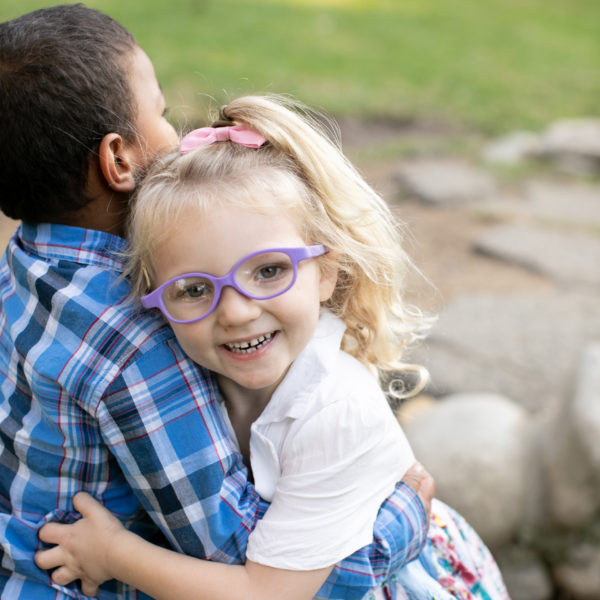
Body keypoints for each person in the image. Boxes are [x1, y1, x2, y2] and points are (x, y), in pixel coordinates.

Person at [1, 5, 437, 599]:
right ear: (119, 160)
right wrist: (403, 525)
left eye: (268, 272)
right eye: (160, 114)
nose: (232, 310)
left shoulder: (27, 261)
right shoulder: (137, 330)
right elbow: (237, 556)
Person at [35, 95, 511, 599]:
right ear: (157, 303)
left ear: (325, 271)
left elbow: (268, 594)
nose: (237, 312)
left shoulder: (334, 409)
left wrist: (115, 554)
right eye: (195, 289)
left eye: (269, 271)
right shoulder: (184, 363)